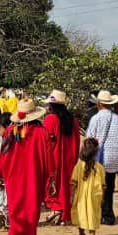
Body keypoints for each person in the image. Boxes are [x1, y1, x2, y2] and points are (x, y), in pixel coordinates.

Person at [0, 98, 55, 235]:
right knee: (31, 210)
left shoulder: (10, 131)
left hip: (13, 177)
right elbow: (49, 158)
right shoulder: (42, 133)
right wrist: (51, 176)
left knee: (16, 210)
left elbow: (3, 154)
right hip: (34, 177)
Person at [86, 90, 118, 225]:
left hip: (99, 157)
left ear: (99, 104)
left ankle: (100, 214)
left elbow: (89, 140)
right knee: (109, 186)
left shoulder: (95, 119)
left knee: (97, 187)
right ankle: (108, 214)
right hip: (114, 158)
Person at [43, 90, 80, 225]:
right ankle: (65, 214)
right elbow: (77, 140)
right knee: (67, 185)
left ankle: (56, 209)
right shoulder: (73, 120)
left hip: (54, 157)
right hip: (70, 157)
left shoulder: (50, 119)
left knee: (54, 184)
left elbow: (47, 141)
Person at [71, 138, 104, 235]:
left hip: (80, 197)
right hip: (94, 197)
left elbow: (73, 183)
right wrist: (102, 198)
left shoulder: (79, 166)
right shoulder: (99, 168)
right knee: (92, 217)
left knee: (81, 215)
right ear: (96, 152)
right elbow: (103, 185)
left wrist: (71, 196)